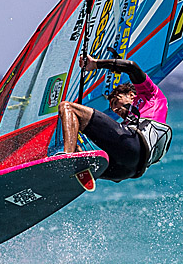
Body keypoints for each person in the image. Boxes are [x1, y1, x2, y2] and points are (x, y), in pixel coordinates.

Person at [57, 53, 171, 182]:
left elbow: (131, 66)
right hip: (127, 170)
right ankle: (75, 164)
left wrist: (95, 64)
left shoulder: (151, 95)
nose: (116, 110)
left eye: (116, 102)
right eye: (113, 108)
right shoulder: (127, 126)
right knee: (84, 161)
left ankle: (68, 157)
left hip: (135, 147)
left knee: (67, 107)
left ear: (131, 95)